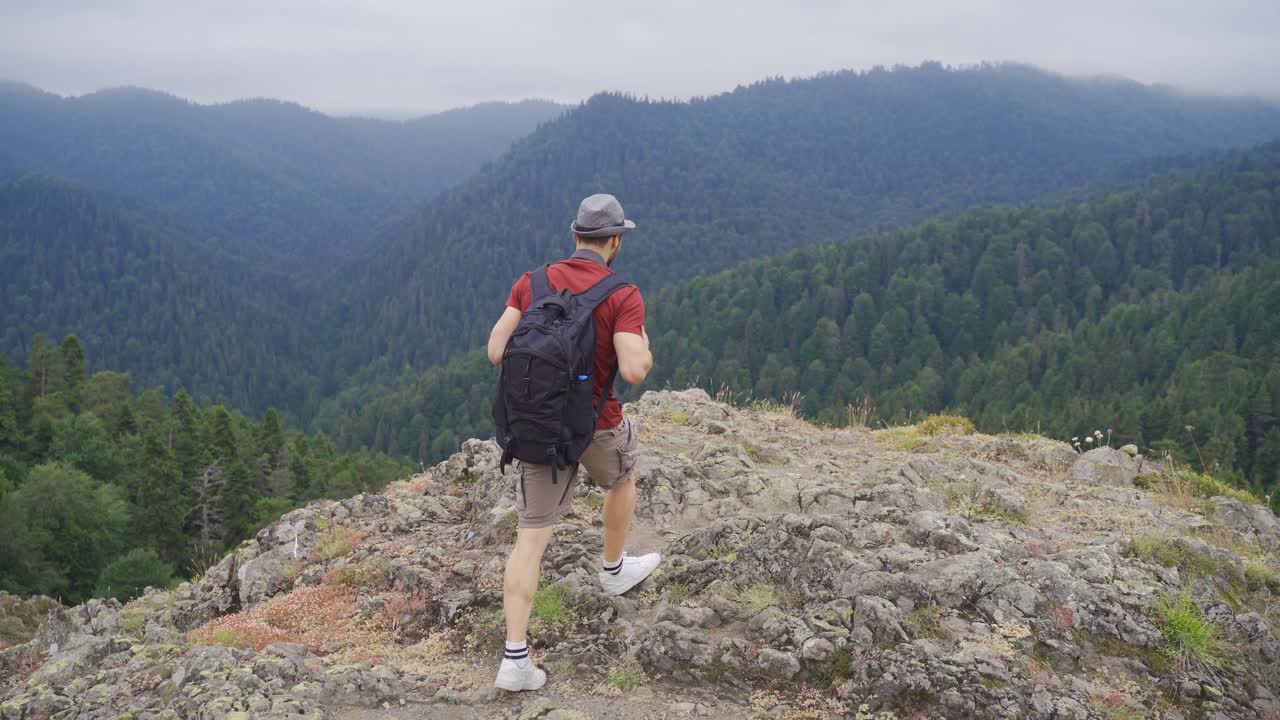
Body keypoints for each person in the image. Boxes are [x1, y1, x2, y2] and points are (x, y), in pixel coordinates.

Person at [486, 193, 658, 692]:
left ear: (575, 235)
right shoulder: (622, 294)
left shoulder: (531, 282)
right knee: (621, 477)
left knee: (531, 536)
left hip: (538, 427)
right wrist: (643, 344)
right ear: (616, 241)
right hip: (597, 424)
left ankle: (514, 659)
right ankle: (613, 568)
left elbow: (497, 350)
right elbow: (632, 369)